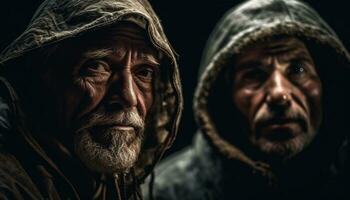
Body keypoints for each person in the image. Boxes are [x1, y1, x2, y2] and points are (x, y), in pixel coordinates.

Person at [147, 0, 350, 199]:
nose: (279, 94)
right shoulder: (160, 193)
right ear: (223, 96)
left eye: (298, 69)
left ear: (328, 84)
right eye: (254, 75)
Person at [0, 0, 182, 199]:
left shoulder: (112, 183)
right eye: (97, 66)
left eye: (144, 72)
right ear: (42, 76)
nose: (129, 97)